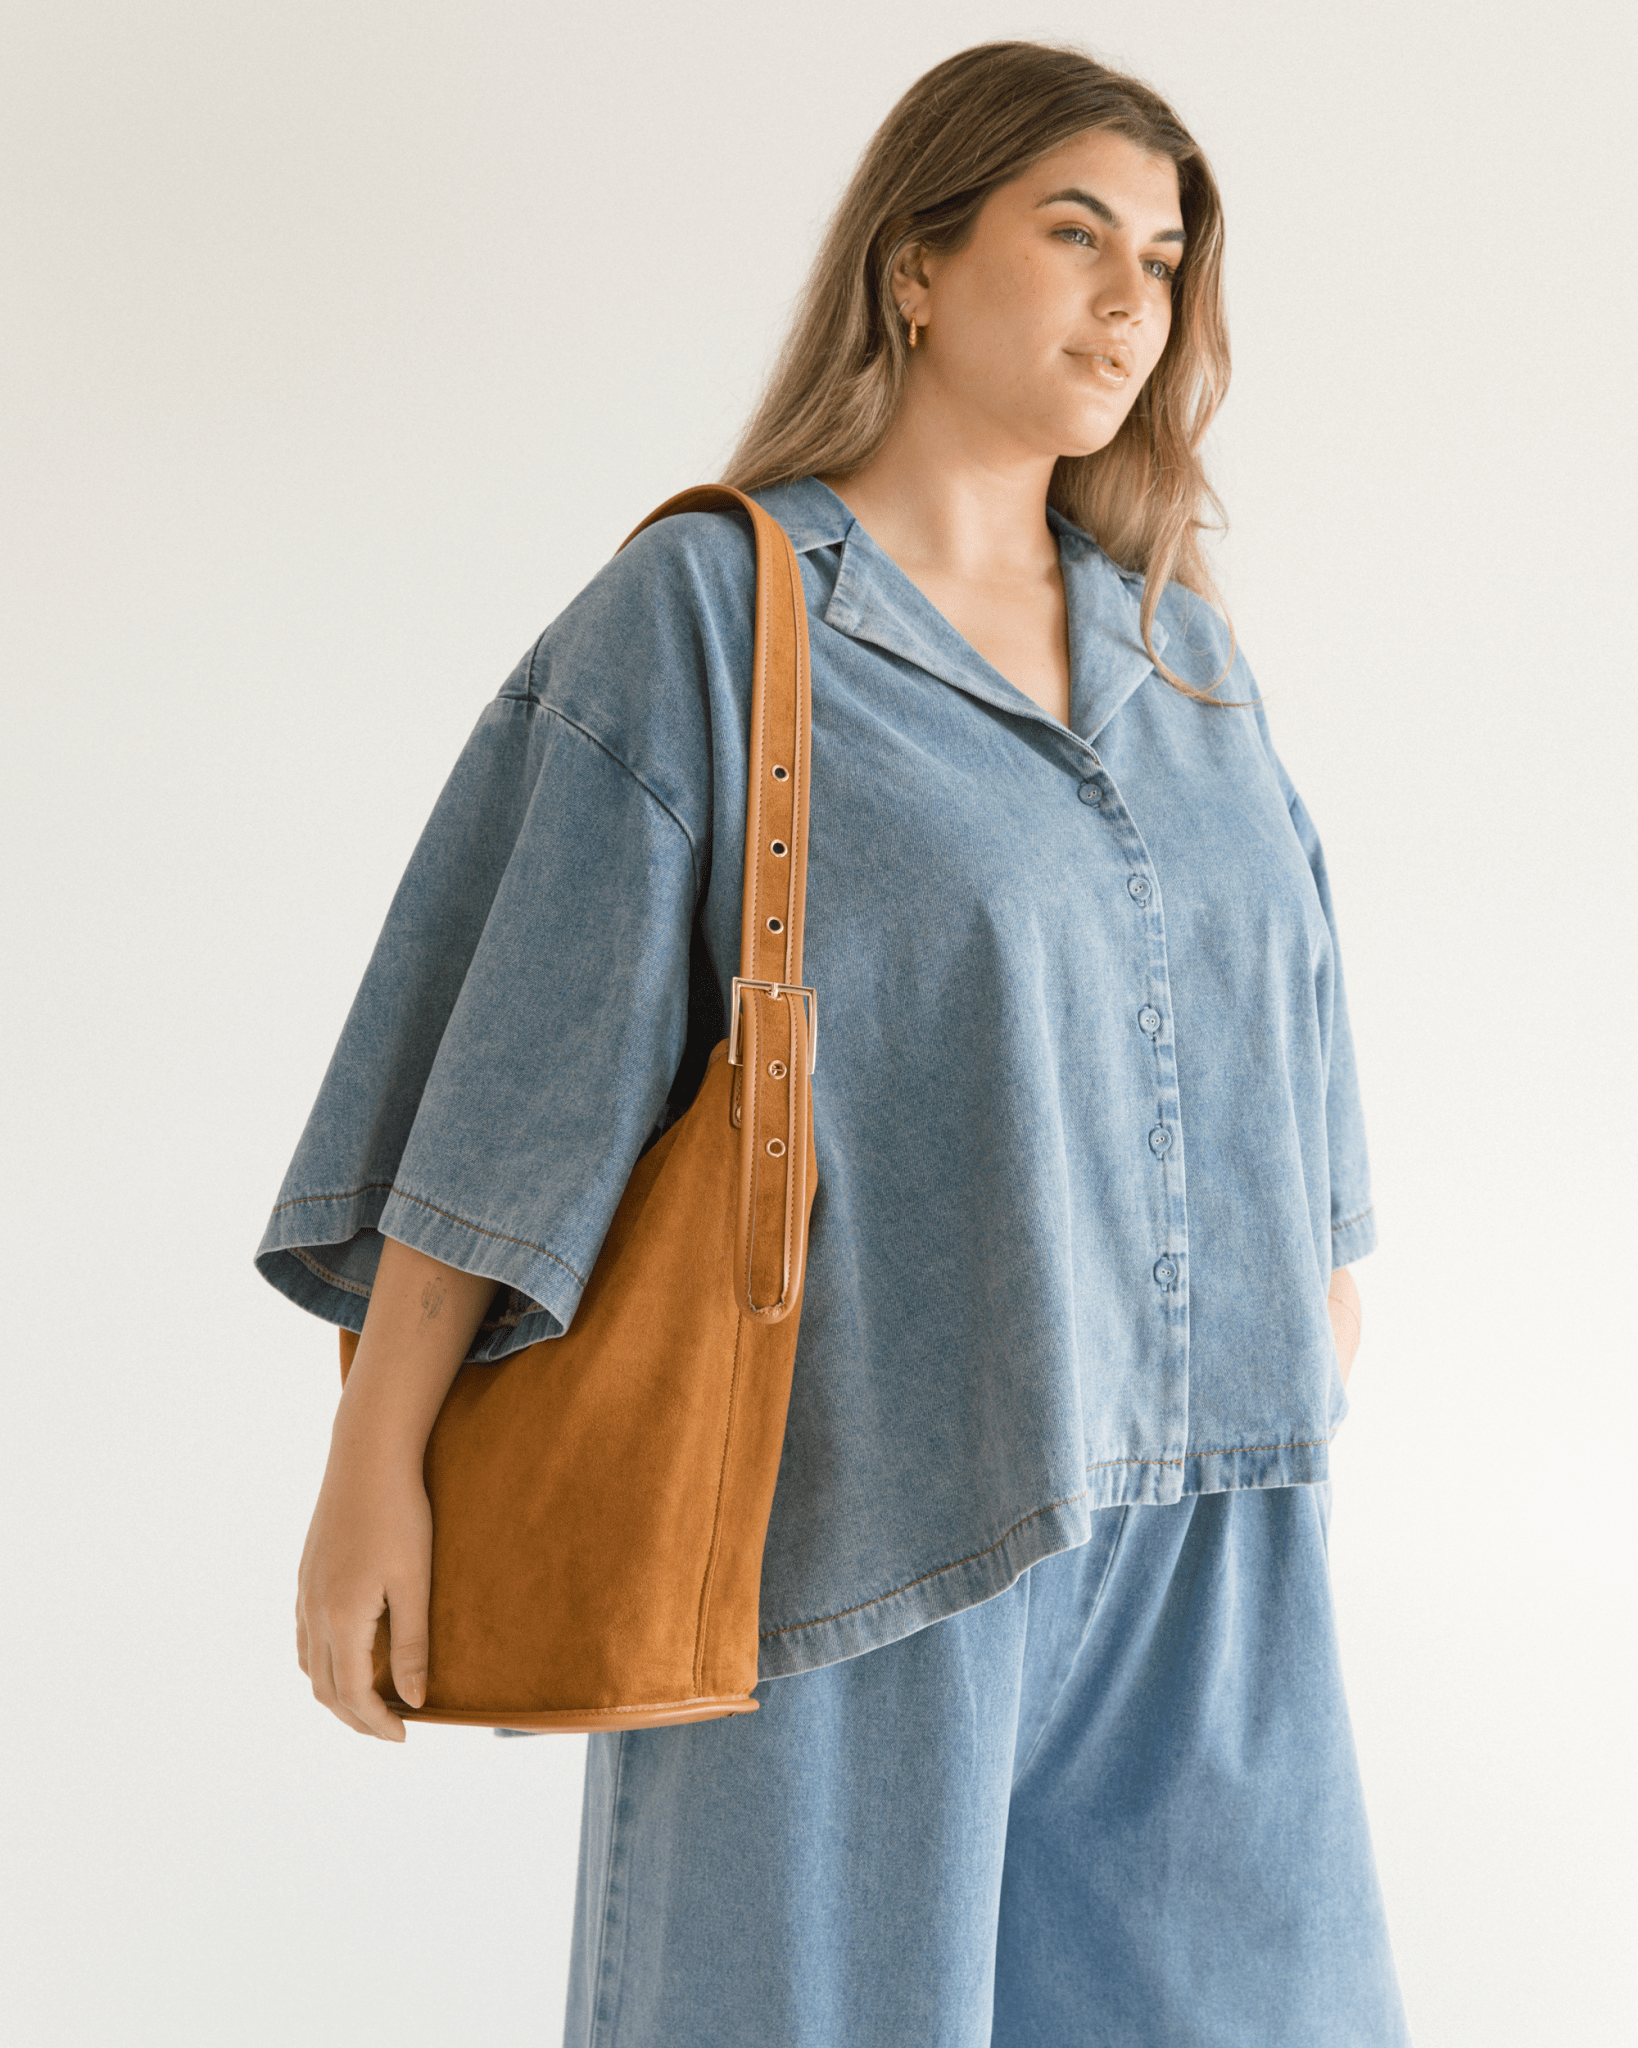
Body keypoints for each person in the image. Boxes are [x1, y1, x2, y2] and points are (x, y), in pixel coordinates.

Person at [257, 39, 1411, 2046]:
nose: (1134, 299)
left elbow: (1292, 1023)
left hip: (1213, 1526)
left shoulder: (1183, 647)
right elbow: (524, 1055)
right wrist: (378, 1463)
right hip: (868, 1508)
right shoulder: (714, 612)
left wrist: (1318, 1284)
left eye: (1164, 254)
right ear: (914, 265)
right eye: (1076, 237)